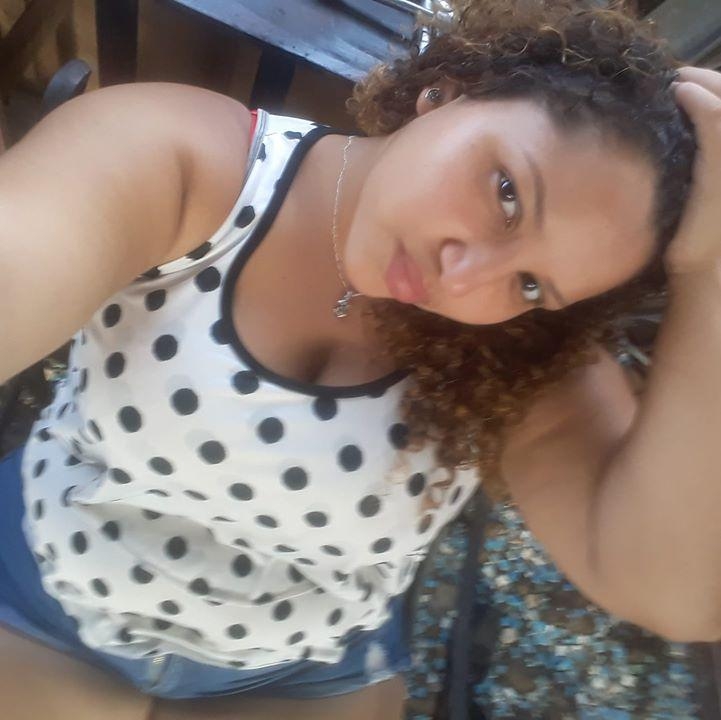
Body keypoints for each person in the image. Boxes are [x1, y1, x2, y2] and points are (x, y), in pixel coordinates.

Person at [0, 0, 719, 718]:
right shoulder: (185, 163)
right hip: (47, 591)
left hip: (297, 670)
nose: (465, 278)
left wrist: (711, 274)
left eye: (531, 284)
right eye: (505, 194)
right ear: (451, 89)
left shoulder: (518, 353)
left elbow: (674, 593)